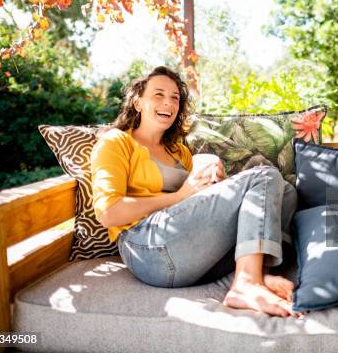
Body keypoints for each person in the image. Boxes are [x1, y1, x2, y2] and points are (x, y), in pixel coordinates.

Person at [91, 66, 298, 317]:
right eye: (158, 94)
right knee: (263, 175)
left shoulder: (179, 152)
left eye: (175, 97)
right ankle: (247, 284)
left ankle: (258, 274)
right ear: (137, 102)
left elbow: (197, 205)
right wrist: (179, 196)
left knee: (284, 190)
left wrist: (217, 183)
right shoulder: (116, 141)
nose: (168, 102)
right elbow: (109, 213)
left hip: (193, 255)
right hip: (148, 248)